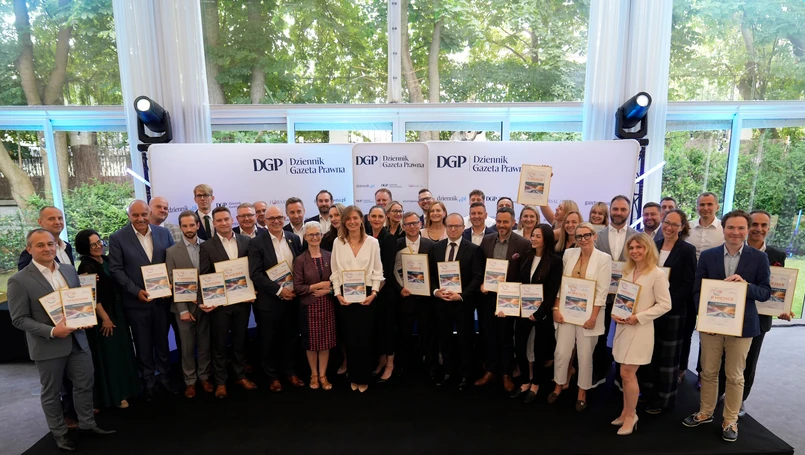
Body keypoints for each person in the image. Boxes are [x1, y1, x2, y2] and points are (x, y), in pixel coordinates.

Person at [8, 229, 115, 452]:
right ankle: (60, 434)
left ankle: (87, 425)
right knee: (52, 393)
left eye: (50, 244)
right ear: (29, 249)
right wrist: (52, 331)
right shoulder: (19, 280)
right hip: (48, 345)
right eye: (40, 245)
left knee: (84, 384)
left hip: (78, 340)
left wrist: (85, 316)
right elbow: (19, 319)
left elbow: (78, 302)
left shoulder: (68, 270)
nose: (47, 248)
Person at [682, 210, 771, 443]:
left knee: (735, 375)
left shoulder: (759, 258)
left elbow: (765, 292)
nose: (735, 232)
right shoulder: (708, 256)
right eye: (731, 227)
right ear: (723, 229)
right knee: (708, 371)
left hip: (743, 326)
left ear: (747, 230)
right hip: (712, 324)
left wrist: (745, 286)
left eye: (741, 228)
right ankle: (706, 411)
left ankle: (730, 420)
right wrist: (705, 316)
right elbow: (697, 290)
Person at [719, 209, 793, 417]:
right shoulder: (732, 248)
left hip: (758, 317)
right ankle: (718, 393)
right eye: (754, 224)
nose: (758, 229)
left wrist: (783, 307)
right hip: (728, 312)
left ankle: (740, 400)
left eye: (764, 225)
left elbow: (777, 287)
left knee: (749, 361)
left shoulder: (776, 255)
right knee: (722, 358)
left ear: (769, 228)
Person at [108, 200, 175, 399]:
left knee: (162, 343)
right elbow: (116, 270)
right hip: (136, 303)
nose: (140, 219)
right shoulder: (118, 237)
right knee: (143, 344)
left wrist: (171, 283)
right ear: (129, 216)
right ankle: (148, 382)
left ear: (149, 213)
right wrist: (136, 291)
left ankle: (165, 378)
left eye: (144, 214)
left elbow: (172, 262)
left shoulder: (164, 233)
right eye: (135, 215)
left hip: (162, 300)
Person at [611, 233, 672, 435]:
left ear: (648, 249)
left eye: (639, 247)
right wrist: (615, 312)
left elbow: (665, 305)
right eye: (631, 248)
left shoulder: (657, 274)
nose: (635, 251)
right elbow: (622, 298)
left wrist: (639, 317)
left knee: (627, 374)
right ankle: (625, 412)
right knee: (624, 373)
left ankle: (631, 415)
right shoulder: (628, 271)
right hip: (623, 327)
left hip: (641, 329)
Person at [75, 229, 140, 409]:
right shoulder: (86, 267)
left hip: (117, 311)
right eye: (93, 245)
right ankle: (115, 395)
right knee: (110, 356)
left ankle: (127, 389)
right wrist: (105, 318)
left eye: (99, 242)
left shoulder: (107, 260)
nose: (98, 246)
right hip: (104, 315)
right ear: (84, 248)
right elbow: (91, 296)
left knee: (122, 351)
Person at [549, 222, 611, 411]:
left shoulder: (604, 259)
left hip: (589, 315)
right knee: (561, 352)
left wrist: (593, 317)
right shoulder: (569, 254)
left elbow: (602, 291)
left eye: (587, 235)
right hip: (566, 312)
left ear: (594, 236)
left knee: (584, 356)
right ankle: (559, 385)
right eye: (579, 236)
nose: (583, 239)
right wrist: (556, 308)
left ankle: (582, 392)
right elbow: (561, 284)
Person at [199, 207, 258, 398]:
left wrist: (253, 289)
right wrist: (207, 299)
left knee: (240, 341)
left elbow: (252, 270)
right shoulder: (207, 246)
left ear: (232, 220)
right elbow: (204, 275)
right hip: (220, 305)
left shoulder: (246, 241)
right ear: (214, 223)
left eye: (226, 219)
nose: (223, 223)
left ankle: (240, 376)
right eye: (219, 220)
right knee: (220, 345)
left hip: (242, 302)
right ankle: (221, 382)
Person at [643, 209, 696, 414]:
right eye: (667, 222)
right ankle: (648, 392)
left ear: (682, 227)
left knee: (668, 357)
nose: (669, 227)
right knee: (651, 352)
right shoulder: (653, 245)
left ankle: (663, 399)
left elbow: (688, 283)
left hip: (673, 311)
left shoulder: (687, 250)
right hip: (651, 310)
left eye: (675, 224)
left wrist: (666, 303)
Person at [249, 205, 305, 392]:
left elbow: (299, 266)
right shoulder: (257, 243)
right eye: (271, 218)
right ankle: (272, 376)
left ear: (284, 218)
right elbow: (256, 274)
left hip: (292, 299)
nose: (276, 221)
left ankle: (290, 372)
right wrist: (280, 291)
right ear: (265, 221)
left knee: (291, 338)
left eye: (279, 217)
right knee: (269, 340)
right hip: (269, 302)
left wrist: (297, 288)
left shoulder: (293, 238)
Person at [475, 207, 531, 392]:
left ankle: (507, 373)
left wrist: (514, 293)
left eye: (505, 222)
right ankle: (491, 370)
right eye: (499, 221)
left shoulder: (523, 244)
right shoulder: (487, 240)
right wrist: (482, 284)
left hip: (510, 299)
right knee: (489, 335)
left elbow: (524, 274)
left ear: (513, 222)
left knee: (506, 337)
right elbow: (481, 268)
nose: (501, 225)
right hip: (488, 297)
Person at [330, 205, 384, 393]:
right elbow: (335, 272)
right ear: (344, 222)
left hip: (367, 294)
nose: (352, 222)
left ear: (362, 220)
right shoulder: (338, 242)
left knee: (366, 338)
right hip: (345, 295)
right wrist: (337, 294)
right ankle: (353, 376)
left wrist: (374, 294)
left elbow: (378, 271)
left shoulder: (372, 243)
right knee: (350, 338)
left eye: (355, 218)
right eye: (348, 219)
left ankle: (364, 377)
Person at [431, 213, 484, 390]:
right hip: (442, 303)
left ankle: (465, 375)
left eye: (457, 226)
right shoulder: (436, 248)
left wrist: (461, 296)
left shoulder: (474, 249)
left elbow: (477, 277)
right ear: (445, 227)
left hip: (463, 303)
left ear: (463, 228)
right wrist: (436, 291)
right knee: (444, 339)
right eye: (450, 226)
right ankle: (448, 372)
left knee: (465, 340)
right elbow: (430, 275)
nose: (453, 229)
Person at [165, 211, 213, 399]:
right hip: (184, 308)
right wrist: (183, 310)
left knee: (205, 344)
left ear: (198, 225)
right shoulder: (171, 251)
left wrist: (211, 300)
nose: (189, 229)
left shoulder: (208, 246)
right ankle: (190, 381)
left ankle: (204, 377)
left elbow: (213, 276)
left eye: (192, 225)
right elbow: (171, 280)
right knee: (186, 347)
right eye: (184, 226)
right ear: (180, 227)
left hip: (206, 305)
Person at [513, 225, 562, 403]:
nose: (533, 239)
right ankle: (525, 381)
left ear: (546, 240)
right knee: (519, 346)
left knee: (539, 350)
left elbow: (552, 291)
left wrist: (539, 313)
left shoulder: (555, 262)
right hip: (523, 311)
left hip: (542, 314)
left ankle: (536, 384)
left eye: (538, 236)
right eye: (532, 235)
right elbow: (518, 283)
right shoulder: (525, 256)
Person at [592, 195, 638, 387]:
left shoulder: (637, 237)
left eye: (623, 209)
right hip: (602, 296)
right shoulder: (597, 235)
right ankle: (599, 372)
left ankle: (620, 377)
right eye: (616, 209)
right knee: (600, 336)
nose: (619, 213)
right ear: (610, 211)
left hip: (627, 297)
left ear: (629, 212)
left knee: (624, 337)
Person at [293, 221, 337, 391]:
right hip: (309, 307)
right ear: (305, 237)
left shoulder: (330, 255)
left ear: (322, 235)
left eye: (317, 234)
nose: (314, 237)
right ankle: (313, 374)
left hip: (328, 305)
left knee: (325, 342)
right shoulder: (300, 260)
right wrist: (318, 286)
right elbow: (298, 288)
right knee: (311, 343)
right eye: (311, 234)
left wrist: (328, 290)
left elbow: (337, 281)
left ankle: (323, 375)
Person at [394, 212, 437, 379]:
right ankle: (403, 366)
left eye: (415, 223)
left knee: (428, 334)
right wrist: (399, 289)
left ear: (420, 224)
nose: (412, 227)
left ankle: (430, 367)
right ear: (403, 226)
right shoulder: (396, 244)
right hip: (405, 299)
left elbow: (434, 272)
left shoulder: (431, 245)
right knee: (404, 334)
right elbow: (390, 271)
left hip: (426, 300)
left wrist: (430, 289)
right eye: (408, 224)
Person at [366, 205, 399, 381]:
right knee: (377, 328)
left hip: (385, 292)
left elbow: (386, 270)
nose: (377, 219)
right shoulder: (366, 238)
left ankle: (390, 364)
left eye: (380, 216)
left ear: (385, 218)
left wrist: (374, 291)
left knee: (387, 328)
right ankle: (381, 361)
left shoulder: (389, 239)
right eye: (374, 216)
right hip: (371, 291)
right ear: (369, 218)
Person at [18, 206, 74, 270]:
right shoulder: (32, 253)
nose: (57, 222)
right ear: (40, 222)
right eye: (51, 219)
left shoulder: (67, 246)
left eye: (60, 218)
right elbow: (25, 275)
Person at [686, 192, 723, 260]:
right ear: (697, 207)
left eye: (709, 204)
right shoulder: (688, 226)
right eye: (702, 205)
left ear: (717, 207)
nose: (705, 208)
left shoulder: (724, 228)